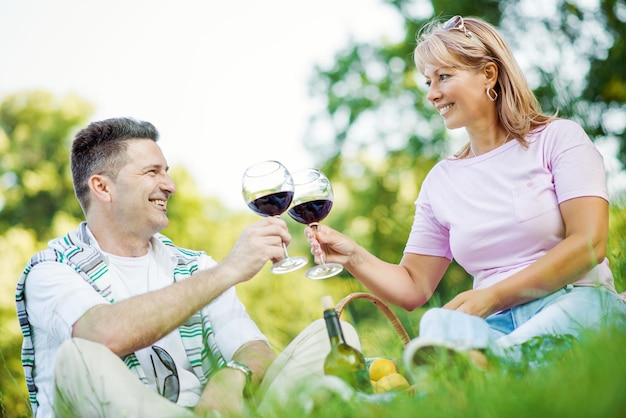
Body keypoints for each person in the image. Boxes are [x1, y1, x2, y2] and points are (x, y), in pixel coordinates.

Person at [305, 15, 626, 375]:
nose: (432, 93)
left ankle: (478, 367)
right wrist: (353, 256)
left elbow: (588, 244)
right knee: (439, 324)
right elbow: (414, 286)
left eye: (444, 76)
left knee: (583, 312)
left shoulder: (558, 139)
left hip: (574, 301)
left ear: (488, 74)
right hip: (491, 325)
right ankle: (478, 364)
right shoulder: (441, 181)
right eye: (428, 81)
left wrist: (492, 296)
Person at [15, 117, 361, 417]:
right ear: (102, 187)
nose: (170, 185)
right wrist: (228, 271)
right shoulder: (51, 270)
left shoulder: (194, 267)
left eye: (167, 172)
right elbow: (103, 333)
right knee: (78, 357)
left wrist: (234, 374)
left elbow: (254, 350)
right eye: (152, 172)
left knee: (334, 337)